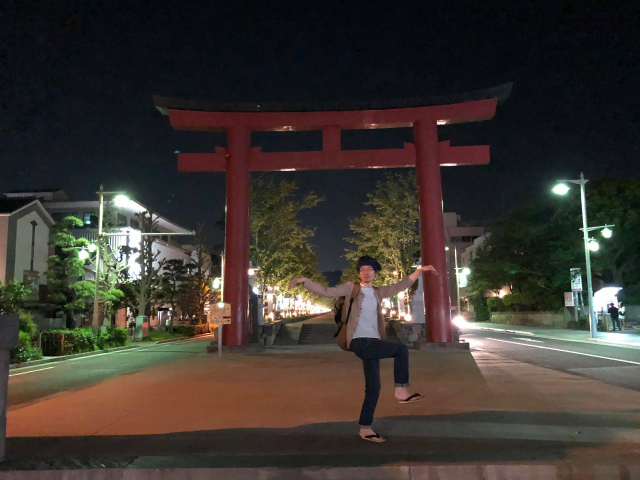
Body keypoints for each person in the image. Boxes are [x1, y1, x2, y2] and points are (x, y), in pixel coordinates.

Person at [288, 255, 438, 443]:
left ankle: (365, 428)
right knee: (401, 350)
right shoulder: (352, 288)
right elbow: (327, 291)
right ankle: (401, 391)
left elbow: (400, 286)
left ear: (375, 272)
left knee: (373, 387)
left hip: (373, 341)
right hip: (359, 341)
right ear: (359, 272)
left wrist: (419, 271)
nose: (365, 272)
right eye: (362, 269)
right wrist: (305, 281)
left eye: (369, 269)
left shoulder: (377, 292)